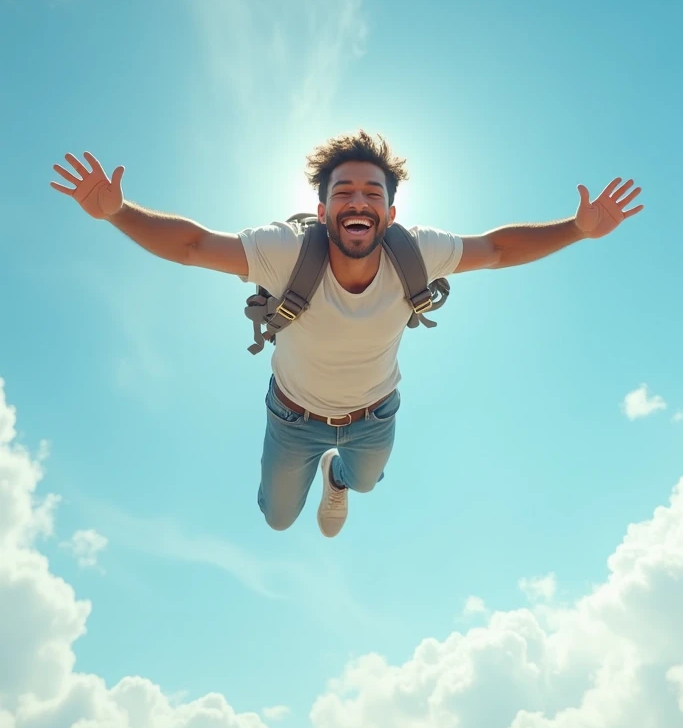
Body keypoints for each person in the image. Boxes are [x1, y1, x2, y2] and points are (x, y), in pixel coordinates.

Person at [50, 131, 643, 538]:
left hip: (374, 414)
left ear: (388, 212)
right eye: (344, 192)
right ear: (323, 204)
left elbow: (497, 249)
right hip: (292, 417)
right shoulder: (285, 251)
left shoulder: (417, 252)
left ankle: (339, 475)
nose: (357, 202)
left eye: (372, 194)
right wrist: (118, 214)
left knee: (363, 482)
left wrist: (576, 228)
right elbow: (193, 245)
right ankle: (317, 474)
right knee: (278, 519)